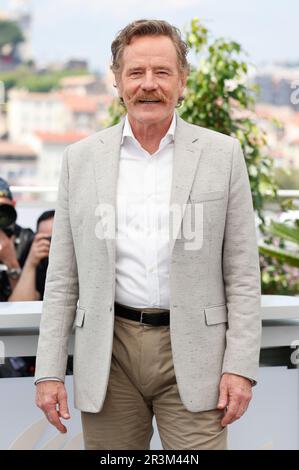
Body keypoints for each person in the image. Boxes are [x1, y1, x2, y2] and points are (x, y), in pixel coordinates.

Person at [34, 19, 261, 450]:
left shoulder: (223, 155)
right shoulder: (79, 160)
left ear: (182, 81)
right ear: (118, 81)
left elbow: (244, 276)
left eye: (162, 72)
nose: (148, 85)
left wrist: (239, 367)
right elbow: (63, 278)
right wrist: (48, 372)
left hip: (197, 355)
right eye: (136, 73)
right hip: (109, 354)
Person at [8, 210, 55, 301]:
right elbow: (22, 305)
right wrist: (31, 263)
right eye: (45, 239)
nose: (51, 244)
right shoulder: (37, 263)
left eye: (55, 238)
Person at [0, 177, 34, 301]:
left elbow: (29, 302)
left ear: (13, 205)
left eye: (3, 210)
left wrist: (11, 263)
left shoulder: (28, 241)